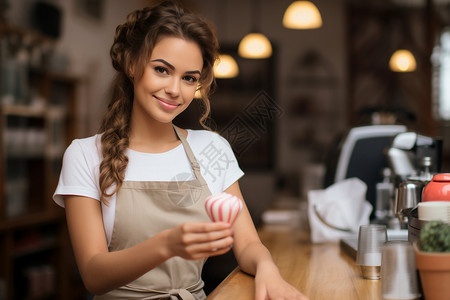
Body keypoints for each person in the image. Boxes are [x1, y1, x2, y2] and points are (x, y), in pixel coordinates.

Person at [53, 1, 309, 299]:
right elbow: (93, 275)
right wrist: (167, 245)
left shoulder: (212, 148)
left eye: (189, 78)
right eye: (162, 70)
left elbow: (249, 245)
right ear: (132, 64)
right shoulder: (84, 154)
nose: (176, 89)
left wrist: (267, 267)